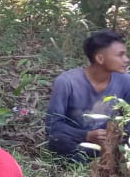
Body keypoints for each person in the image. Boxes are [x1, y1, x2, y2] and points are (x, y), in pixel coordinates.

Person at [46, 29, 130, 160]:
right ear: (100, 58)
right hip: (78, 141)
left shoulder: (126, 81)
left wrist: (115, 137)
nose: (126, 59)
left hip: (112, 142)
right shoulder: (67, 82)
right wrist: (86, 135)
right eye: (120, 55)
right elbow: (53, 125)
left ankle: (110, 159)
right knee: (58, 141)